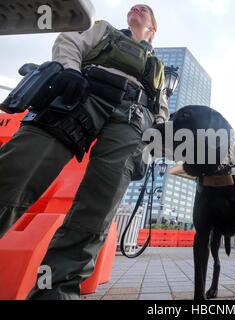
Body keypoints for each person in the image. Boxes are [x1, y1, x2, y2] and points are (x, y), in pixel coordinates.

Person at [0, 4, 168, 299]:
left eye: (145, 10)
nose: (138, 7)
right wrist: (69, 70)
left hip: (132, 118)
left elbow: (161, 105)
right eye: (135, 6)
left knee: (100, 203)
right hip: (82, 93)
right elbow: (70, 41)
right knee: (21, 167)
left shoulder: (157, 67)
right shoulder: (104, 29)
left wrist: (159, 128)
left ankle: (57, 292)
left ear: (153, 28)